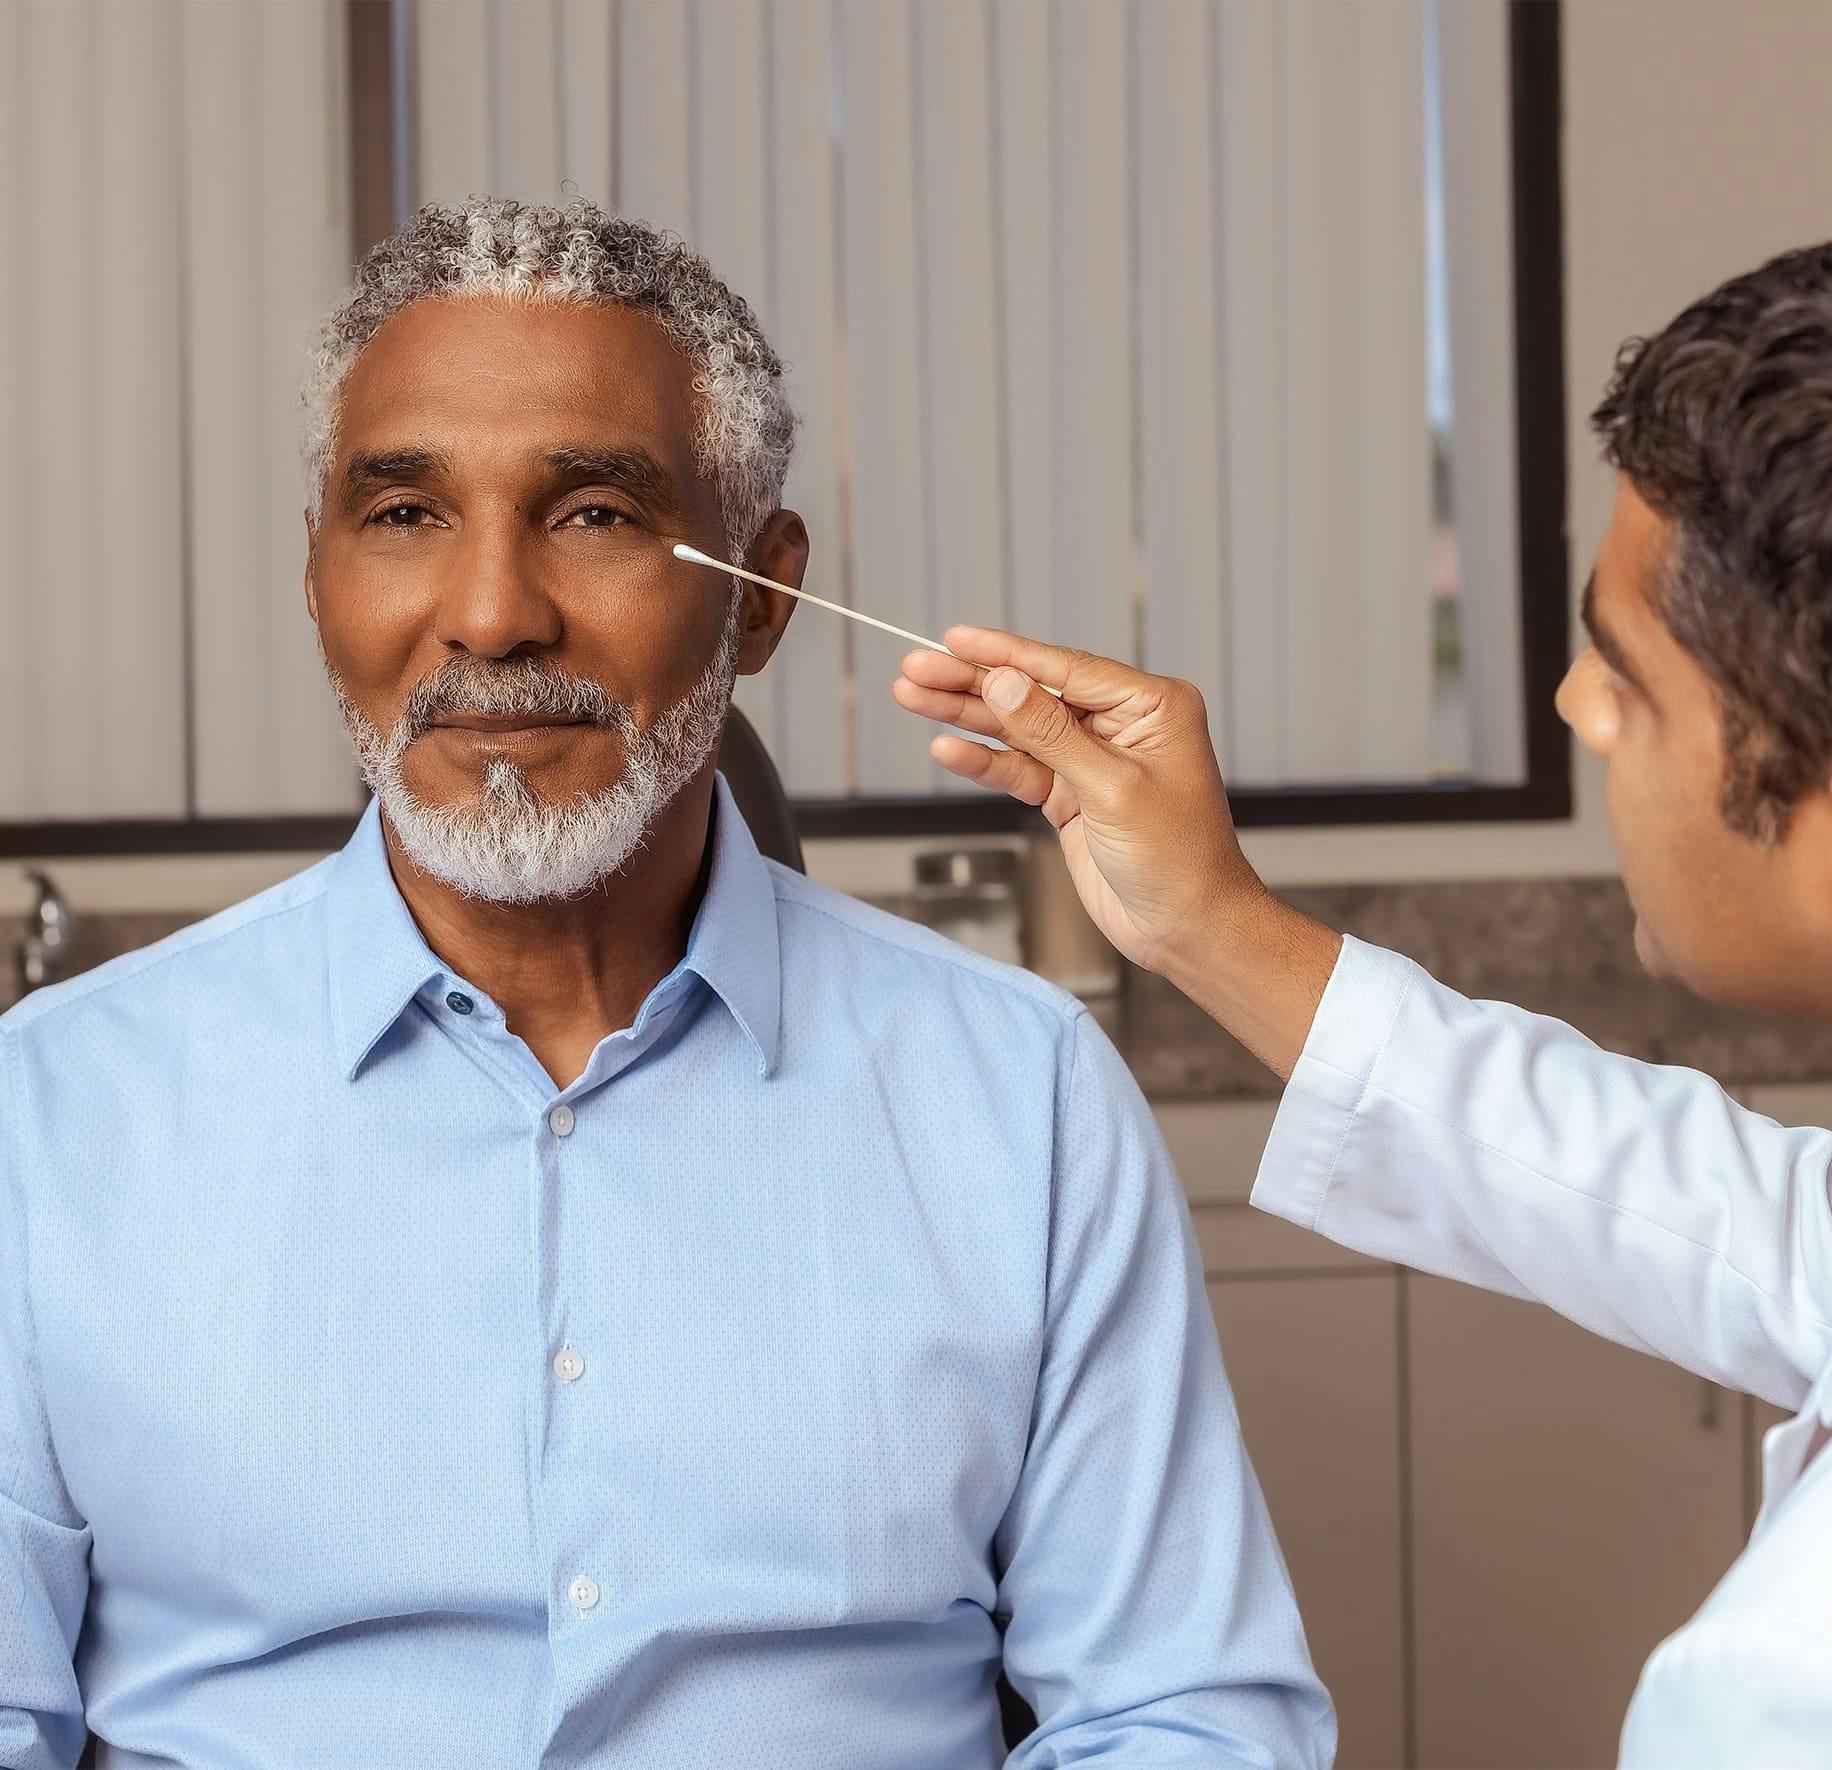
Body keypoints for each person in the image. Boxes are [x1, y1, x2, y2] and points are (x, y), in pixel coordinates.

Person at [0, 199, 1332, 1769]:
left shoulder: (1020, 1095)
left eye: (594, 515)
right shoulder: (55, 1109)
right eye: (406, 514)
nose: (491, 615)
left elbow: (1182, 1714)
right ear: (317, 581)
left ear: (762, 596)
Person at [894, 241, 1832, 1766]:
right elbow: (1724, 1213)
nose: (1574, 707)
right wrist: (1212, 923)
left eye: (1627, 669)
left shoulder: (1785, 1689)